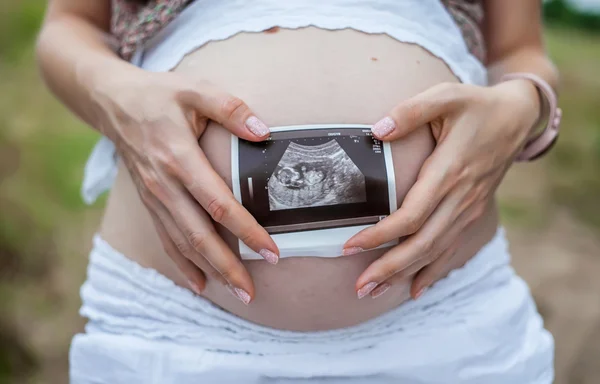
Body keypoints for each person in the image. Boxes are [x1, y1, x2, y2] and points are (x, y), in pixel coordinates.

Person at [37, 0, 560, 382]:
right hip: (176, 329)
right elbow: (70, 27)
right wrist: (117, 93)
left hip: (448, 325)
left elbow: (519, 52)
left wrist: (526, 104)